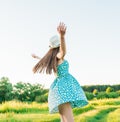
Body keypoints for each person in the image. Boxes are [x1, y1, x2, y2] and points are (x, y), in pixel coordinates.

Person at [32, 22, 88, 122]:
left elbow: (45, 61)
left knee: (64, 119)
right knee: (69, 120)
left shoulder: (53, 59)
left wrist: (37, 57)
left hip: (58, 90)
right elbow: (63, 52)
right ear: (58, 46)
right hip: (64, 88)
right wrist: (62, 37)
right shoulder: (58, 56)